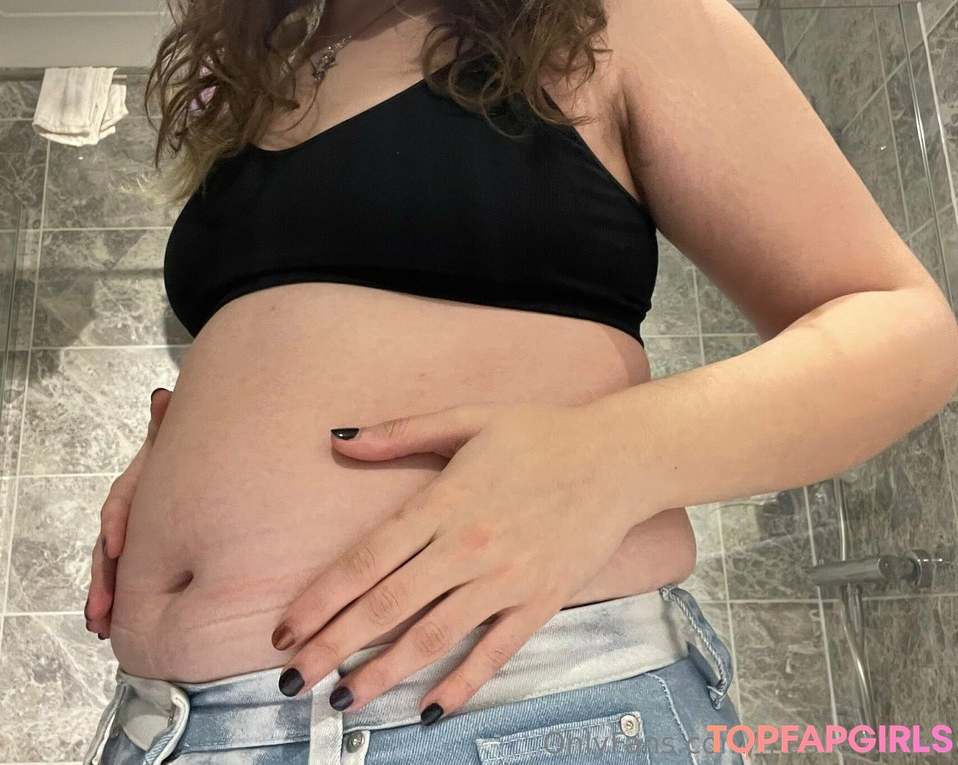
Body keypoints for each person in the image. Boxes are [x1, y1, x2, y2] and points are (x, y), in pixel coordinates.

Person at [81, 0, 958, 763]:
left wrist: (609, 455)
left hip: (510, 702)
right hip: (166, 727)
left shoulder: (606, 22)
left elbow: (905, 329)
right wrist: (180, 454)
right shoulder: (271, 76)